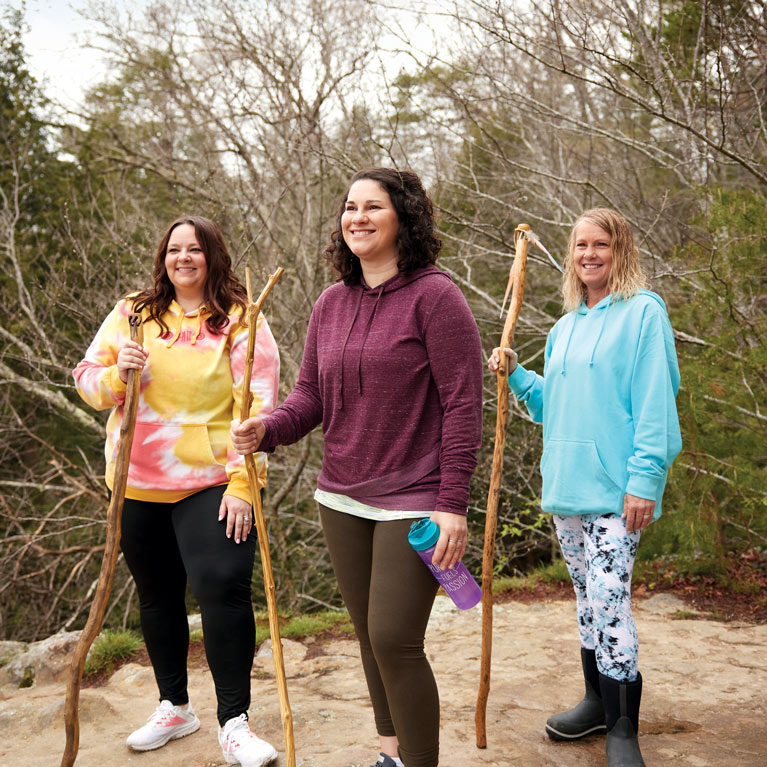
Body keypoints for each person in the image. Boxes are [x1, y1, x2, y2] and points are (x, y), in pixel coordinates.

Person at [231, 168, 483, 767]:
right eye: (350, 207)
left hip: (415, 498)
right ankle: (391, 754)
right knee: (370, 639)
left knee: (395, 638)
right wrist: (267, 429)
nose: (358, 218)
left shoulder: (436, 297)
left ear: (405, 218)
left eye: (374, 207)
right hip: (341, 497)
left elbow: (463, 404)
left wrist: (453, 504)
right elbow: (311, 397)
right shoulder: (331, 303)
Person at [73, 216, 280, 767]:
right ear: (162, 256)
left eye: (194, 249)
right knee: (157, 595)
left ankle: (234, 722)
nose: (183, 258)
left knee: (222, 585)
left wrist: (244, 482)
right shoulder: (132, 313)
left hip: (211, 481)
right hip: (136, 483)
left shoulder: (240, 319)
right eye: (173, 249)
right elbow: (87, 380)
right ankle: (173, 705)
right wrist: (121, 375)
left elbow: (258, 406)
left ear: (213, 256)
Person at [489, 208, 681, 767]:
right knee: (586, 600)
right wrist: (518, 376)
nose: (589, 254)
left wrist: (644, 480)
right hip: (567, 488)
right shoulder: (565, 325)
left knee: (610, 600)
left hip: (619, 491)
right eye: (580, 245)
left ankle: (623, 727)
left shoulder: (644, 315)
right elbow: (558, 406)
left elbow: (654, 405)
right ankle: (598, 701)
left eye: (601, 244)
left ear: (621, 251)